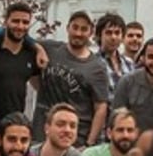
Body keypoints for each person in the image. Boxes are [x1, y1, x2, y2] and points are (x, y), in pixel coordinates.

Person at [36, 11, 109, 146]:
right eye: (75, 27)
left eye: (84, 29)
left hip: (74, 140)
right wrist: (38, 49)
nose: (78, 33)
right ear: (67, 28)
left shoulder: (97, 67)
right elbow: (24, 41)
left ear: (91, 32)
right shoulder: (51, 49)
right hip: (41, 135)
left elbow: (101, 108)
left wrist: (89, 143)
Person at [0, 4, 40, 153]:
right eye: (15, 21)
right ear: (5, 21)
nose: (20, 26)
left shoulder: (30, 54)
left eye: (25, 22)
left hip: (14, 129)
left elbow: (39, 87)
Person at [95, 13, 133, 92]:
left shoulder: (129, 63)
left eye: (117, 33)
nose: (113, 37)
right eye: (108, 33)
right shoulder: (93, 62)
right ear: (99, 36)